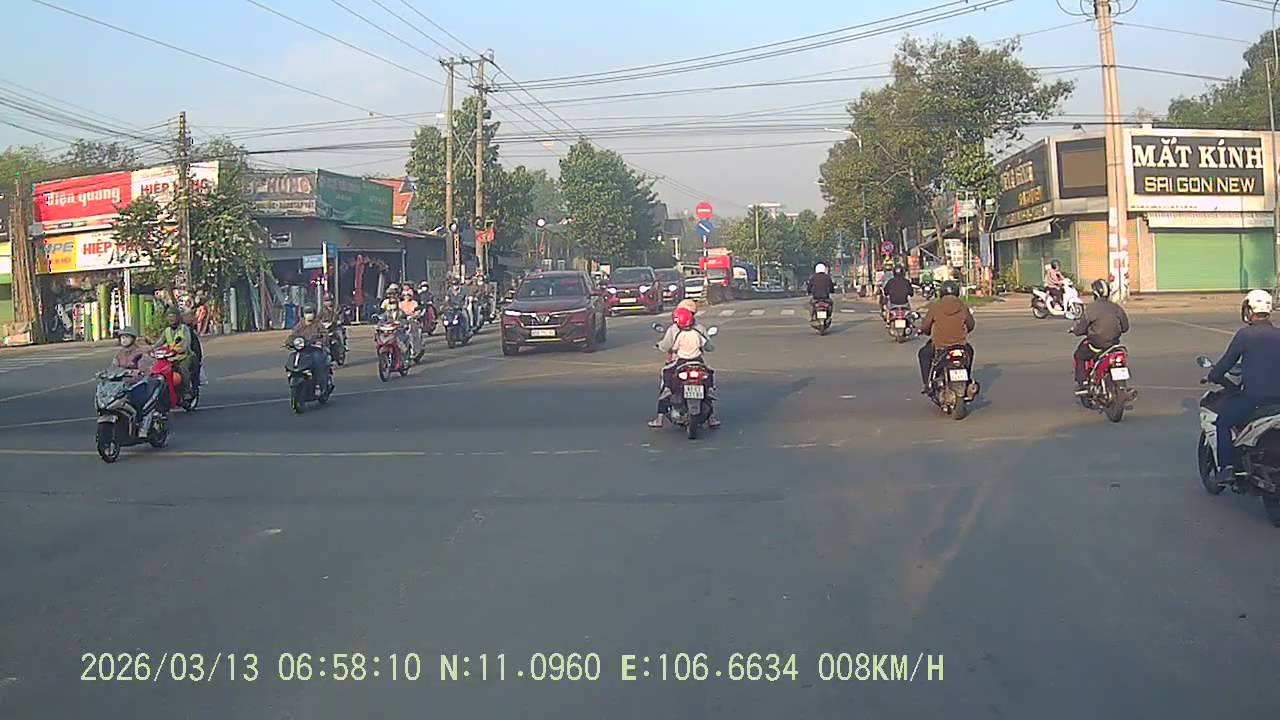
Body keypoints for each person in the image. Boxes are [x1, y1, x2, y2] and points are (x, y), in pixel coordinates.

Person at [1207, 289, 1280, 483]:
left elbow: (1226, 363)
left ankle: (1227, 468)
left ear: (1249, 310)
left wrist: (1214, 375)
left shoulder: (1245, 335)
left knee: (1223, 423)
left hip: (1254, 398)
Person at [648, 304, 720, 429]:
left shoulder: (676, 331)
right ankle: (711, 416)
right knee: (709, 375)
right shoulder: (699, 330)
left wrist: (661, 346)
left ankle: (661, 411)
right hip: (698, 361)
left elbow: (670, 346)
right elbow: (708, 346)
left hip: (681, 361)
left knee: (666, 373)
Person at [1070, 279, 1130, 394]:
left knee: (1079, 355)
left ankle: (1083, 383)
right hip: (1113, 345)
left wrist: (1075, 330)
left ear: (1095, 294)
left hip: (1096, 345)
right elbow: (1125, 327)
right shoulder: (1116, 307)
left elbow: (1081, 329)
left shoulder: (1092, 308)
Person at [918, 281, 975, 394]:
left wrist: (926, 332)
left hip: (940, 347)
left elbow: (925, 326)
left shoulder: (936, 307)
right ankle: (967, 379)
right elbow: (971, 325)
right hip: (961, 346)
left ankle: (928, 384)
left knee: (923, 354)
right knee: (970, 352)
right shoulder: (963, 307)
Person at [288, 304, 331, 392]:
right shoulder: (300, 325)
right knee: (293, 358)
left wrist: (320, 342)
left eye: (310, 312)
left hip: (315, 349)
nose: (309, 315)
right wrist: (289, 342)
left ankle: (318, 385)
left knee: (318, 361)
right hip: (303, 350)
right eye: (307, 313)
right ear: (303, 314)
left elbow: (325, 335)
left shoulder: (318, 324)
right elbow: (292, 336)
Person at [157, 309, 195, 399]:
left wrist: (177, 349)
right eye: (169, 316)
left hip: (184, 356)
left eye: (173, 316)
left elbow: (186, 344)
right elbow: (159, 343)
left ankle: (187, 391)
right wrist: (150, 348)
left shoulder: (184, 329)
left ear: (178, 317)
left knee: (183, 369)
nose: (171, 319)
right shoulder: (167, 331)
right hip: (170, 358)